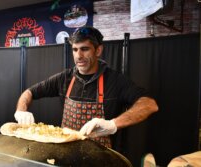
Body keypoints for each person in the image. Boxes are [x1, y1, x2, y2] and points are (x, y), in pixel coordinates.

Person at [14, 26, 158, 148]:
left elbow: (149, 104)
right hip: (66, 152)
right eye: (75, 50)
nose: (78, 56)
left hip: (100, 157)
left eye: (84, 49)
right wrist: (21, 110)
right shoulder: (65, 78)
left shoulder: (115, 80)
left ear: (98, 50)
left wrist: (113, 124)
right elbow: (29, 92)